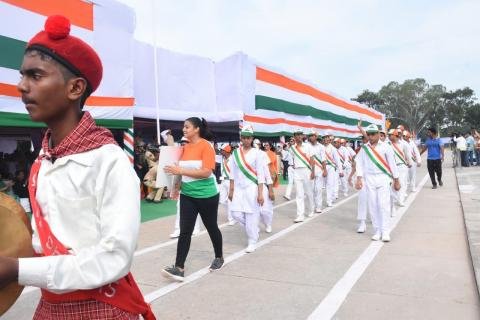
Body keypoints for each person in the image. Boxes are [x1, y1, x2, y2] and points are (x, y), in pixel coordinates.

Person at [0, 15, 154, 319]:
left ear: (75, 88)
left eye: (35, 75)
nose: (21, 86)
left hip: (103, 309)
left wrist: (16, 269)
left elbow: (114, 258)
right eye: (22, 75)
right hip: (50, 307)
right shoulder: (43, 160)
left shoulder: (108, 161)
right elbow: (44, 244)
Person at [162, 117, 224, 281]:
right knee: (185, 231)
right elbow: (178, 171)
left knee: (211, 227)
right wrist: (175, 189)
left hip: (207, 196)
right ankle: (179, 268)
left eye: (187, 127)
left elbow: (206, 172)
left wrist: (180, 170)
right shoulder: (184, 148)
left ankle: (219, 257)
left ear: (196, 129)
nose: (184, 129)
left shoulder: (206, 146)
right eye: (183, 126)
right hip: (187, 195)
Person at [355, 124, 400, 242]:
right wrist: (359, 178)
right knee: (373, 205)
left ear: (378, 134)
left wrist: (396, 180)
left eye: (373, 134)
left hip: (383, 178)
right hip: (369, 179)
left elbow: (392, 164)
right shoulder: (365, 148)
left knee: (383, 205)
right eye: (368, 134)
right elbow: (358, 162)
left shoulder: (386, 147)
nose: (370, 136)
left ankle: (385, 231)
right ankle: (377, 230)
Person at [228, 125, 265, 252]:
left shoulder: (258, 153)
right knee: (235, 213)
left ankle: (252, 240)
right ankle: (254, 228)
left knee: (251, 214)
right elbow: (232, 173)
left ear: (252, 138)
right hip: (238, 188)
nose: (246, 140)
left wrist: (260, 193)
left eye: (249, 138)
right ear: (241, 138)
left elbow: (260, 175)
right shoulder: (235, 153)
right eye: (244, 138)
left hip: (252, 188)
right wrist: (231, 190)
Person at [290, 129, 316, 222]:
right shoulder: (292, 148)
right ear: (294, 136)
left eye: (300, 135)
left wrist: (313, 172)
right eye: (297, 135)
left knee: (309, 192)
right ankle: (300, 215)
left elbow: (312, 160)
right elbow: (292, 160)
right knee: (299, 194)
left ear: (303, 136)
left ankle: (311, 209)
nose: (299, 136)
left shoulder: (308, 146)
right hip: (297, 171)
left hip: (306, 170)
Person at [307, 130, 327, 213]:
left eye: (312, 135)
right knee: (310, 189)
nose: (311, 137)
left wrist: (325, 169)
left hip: (319, 170)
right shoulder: (306, 146)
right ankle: (312, 206)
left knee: (318, 189)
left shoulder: (321, 147)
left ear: (316, 136)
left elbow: (323, 159)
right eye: (310, 135)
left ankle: (318, 207)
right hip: (309, 170)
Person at [218, 143, 236, 226]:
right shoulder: (222, 158)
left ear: (227, 151)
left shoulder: (233, 159)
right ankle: (234, 212)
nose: (220, 152)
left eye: (222, 150)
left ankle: (231, 218)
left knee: (230, 201)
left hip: (230, 181)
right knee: (222, 201)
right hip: (223, 182)